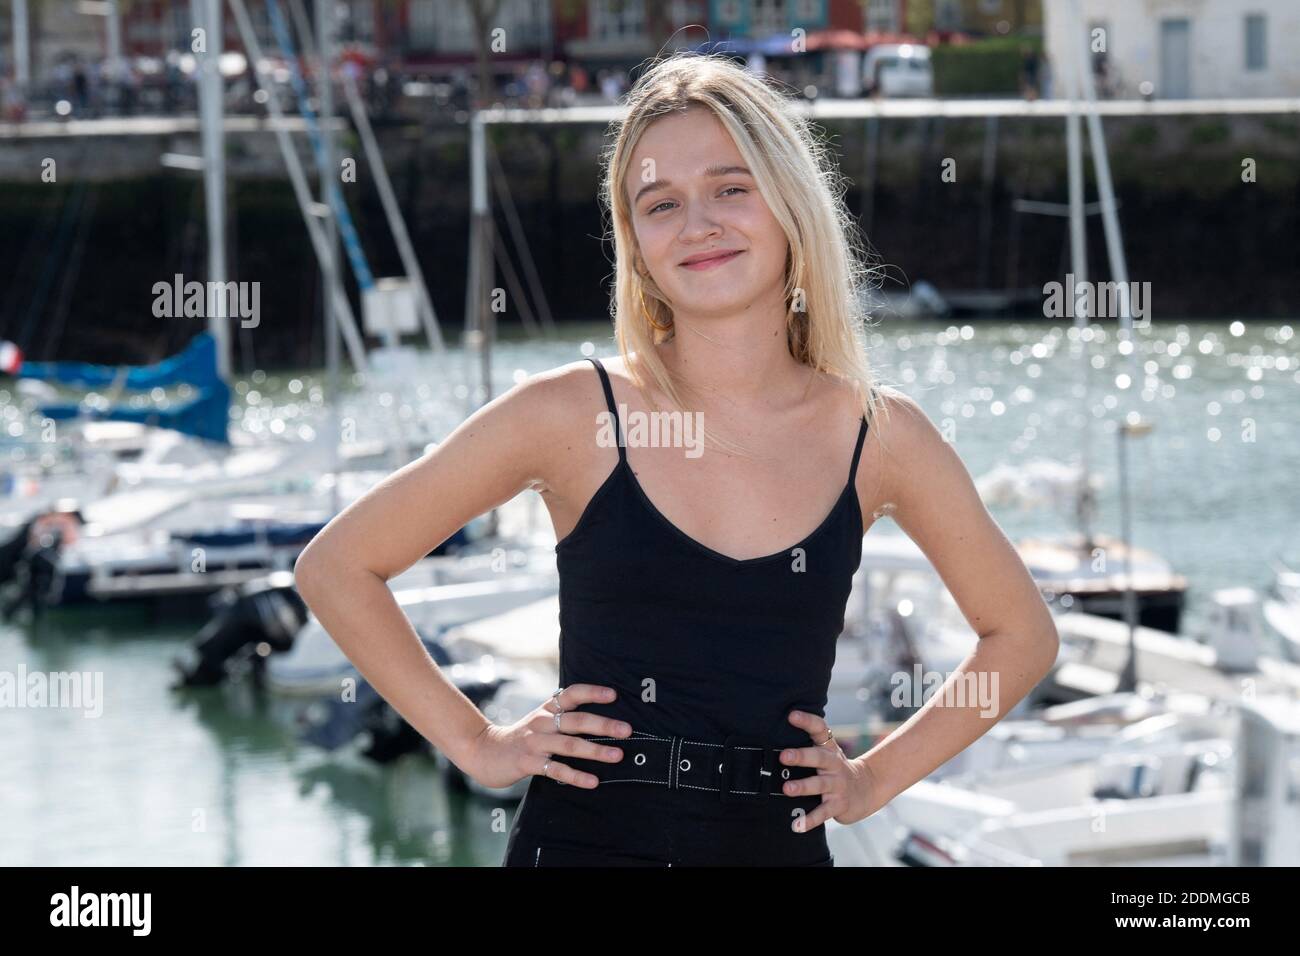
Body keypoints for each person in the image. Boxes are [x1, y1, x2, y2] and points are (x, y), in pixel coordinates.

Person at [293, 53, 1060, 867]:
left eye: (732, 188)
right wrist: (478, 745)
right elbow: (337, 566)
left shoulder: (881, 435)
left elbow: (1021, 635)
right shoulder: (570, 414)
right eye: (662, 204)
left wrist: (872, 781)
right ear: (636, 243)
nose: (699, 224)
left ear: (790, 202)